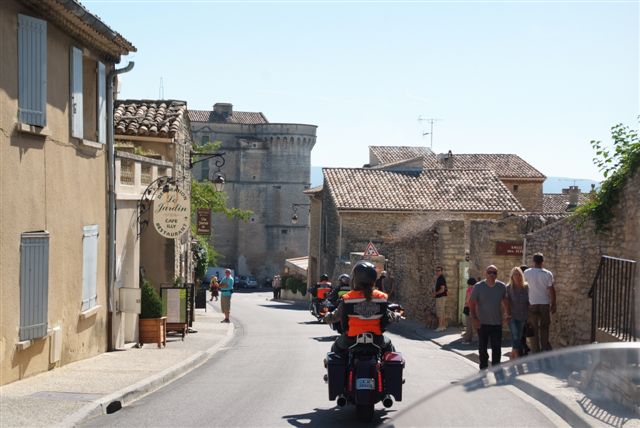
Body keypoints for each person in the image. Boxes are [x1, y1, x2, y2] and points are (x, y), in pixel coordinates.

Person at [323, 261, 398, 355]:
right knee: (390, 349)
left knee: (336, 348)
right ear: (374, 278)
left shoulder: (347, 298)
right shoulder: (382, 297)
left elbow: (337, 316)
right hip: (376, 338)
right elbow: (385, 318)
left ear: (355, 279)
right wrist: (395, 316)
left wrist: (327, 316)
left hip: (351, 337)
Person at [469, 265, 510, 370]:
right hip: (482, 322)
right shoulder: (478, 286)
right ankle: (484, 366)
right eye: (490, 272)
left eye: (494, 273)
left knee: (497, 347)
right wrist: (474, 318)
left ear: (497, 274)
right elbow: (472, 302)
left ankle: (496, 367)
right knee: (482, 347)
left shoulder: (501, 286)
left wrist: (507, 313)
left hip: (497, 322)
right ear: (485, 273)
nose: (492, 274)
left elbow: (505, 300)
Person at [524, 253, 556, 353]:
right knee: (544, 327)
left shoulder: (527, 273)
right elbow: (551, 290)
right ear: (542, 262)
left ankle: (535, 351)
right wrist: (553, 303)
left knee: (533, 328)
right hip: (544, 304)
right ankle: (545, 348)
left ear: (533, 261)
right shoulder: (547, 274)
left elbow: (523, 287)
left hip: (532, 303)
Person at [506, 267, 529, 359]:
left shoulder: (526, 287)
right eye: (515, 274)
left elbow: (529, 301)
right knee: (515, 335)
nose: (517, 276)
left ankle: (513, 354)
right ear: (512, 276)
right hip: (512, 316)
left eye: (519, 274)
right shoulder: (508, 288)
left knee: (518, 337)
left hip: (523, 315)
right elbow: (505, 302)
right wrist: (507, 313)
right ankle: (515, 355)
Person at [461, 277, 477, 344]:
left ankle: (467, 339)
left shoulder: (469, 289)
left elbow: (467, 300)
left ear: (469, 284)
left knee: (469, 325)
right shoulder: (477, 289)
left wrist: (465, 304)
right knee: (474, 324)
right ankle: (474, 338)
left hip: (468, 307)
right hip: (475, 308)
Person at [433, 266, 448, 331]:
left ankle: (440, 326)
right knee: (442, 312)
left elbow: (442, 289)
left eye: (439, 270)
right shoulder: (440, 278)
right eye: (436, 270)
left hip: (441, 297)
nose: (437, 272)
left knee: (440, 312)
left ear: (441, 271)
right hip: (441, 297)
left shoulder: (441, 278)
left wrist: (435, 293)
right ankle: (443, 326)